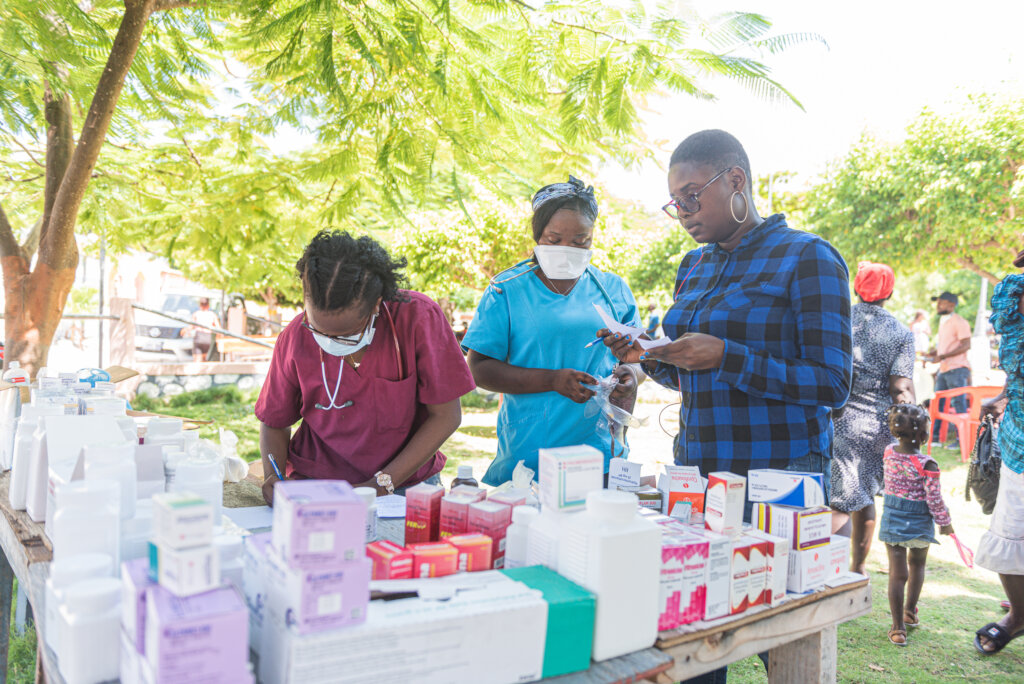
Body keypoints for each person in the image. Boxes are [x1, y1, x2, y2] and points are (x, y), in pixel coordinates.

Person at [602, 129, 852, 506]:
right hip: (698, 471)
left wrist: (726, 356)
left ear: (735, 180)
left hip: (779, 475)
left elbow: (832, 384)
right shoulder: (694, 265)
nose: (683, 212)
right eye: (676, 202)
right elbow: (693, 379)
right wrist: (650, 356)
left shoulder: (806, 256)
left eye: (691, 196)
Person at [254, 231, 475, 505]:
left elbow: (445, 416)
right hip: (316, 487)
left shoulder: (418, 319)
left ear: (377, 305)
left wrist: (379, 485)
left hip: (404, 486)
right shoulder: (295, 337)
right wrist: (273, 476)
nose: (330, 343)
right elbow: (274, 422)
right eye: (318, 330)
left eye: (346, 335)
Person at [462, 176, 642, 485]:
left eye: (580, 242)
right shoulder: (507, 289)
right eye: (554, 239)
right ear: (537, 235)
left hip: (600, 455)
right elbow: (478, 370)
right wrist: (551, 380)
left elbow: (639, 360)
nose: (567, 249)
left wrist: (630, 375)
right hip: (531, 457)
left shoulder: (613, 289)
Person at [830, 262, 916, 574]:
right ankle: (857, 568)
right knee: (864, 496)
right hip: (878, 428)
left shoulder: (838, 321)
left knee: (839, 498)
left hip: (838, 419)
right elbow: (900, 387)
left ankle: (831, 570)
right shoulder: (901, 333)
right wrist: (914, 426)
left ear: (856, 288)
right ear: (889, 293)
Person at [974, 248, 1024, 655]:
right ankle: (1019, 615)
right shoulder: (1014, 297)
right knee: (1010, 532)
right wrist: (1003, 397)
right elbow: (1017, 370)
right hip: (1018, 441)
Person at [878, 403, 954, 646]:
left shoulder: (889, 452)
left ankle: (897, 627)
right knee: (918, 564)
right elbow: (934, 499)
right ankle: (909, 612)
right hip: (919, 521)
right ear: (923, 435)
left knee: (897, 573)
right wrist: (945, 523)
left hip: (892, 518)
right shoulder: (928, 464)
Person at [927, 291, 972, 445]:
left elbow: (966, 345)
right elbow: (946, 347)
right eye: (937, 302)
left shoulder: (959, 321)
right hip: (944, 368)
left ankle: (961, 440)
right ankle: (935, 438)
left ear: (952, 305)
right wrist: (934, 353)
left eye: (942, 302)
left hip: (957, 368)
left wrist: (942, 356)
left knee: (959, 404)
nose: (938, 305)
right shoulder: (943, 321)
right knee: (937, 403)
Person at [187, 297, 220, 362]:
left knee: (197, 359)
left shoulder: (196, 314)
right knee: (204, 359)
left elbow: (191, 326)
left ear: (200, 305)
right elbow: (218, 328)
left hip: (199, 337)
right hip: (207, 338)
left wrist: (186, 331)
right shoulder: (212, 315)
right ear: (208, 305)